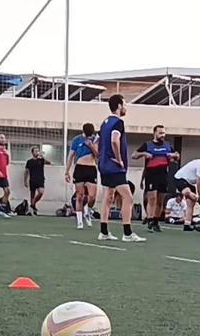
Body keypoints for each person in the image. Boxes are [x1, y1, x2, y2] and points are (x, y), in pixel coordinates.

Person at [94, 94, 145, 243]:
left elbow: (96, 142)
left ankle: (104, 232)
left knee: (108, 197)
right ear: (119, 106)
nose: (126, 107)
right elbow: (114, 141)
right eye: (124, 104)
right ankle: (127, 233)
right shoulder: (118, 123)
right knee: (128, 197)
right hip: (114, 167)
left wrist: (102, 157)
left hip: (103, 165)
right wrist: (119, 159)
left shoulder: (104, 123)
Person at [132, 125, 181, 233]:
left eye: (164, 133)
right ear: (154, 133)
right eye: (160, 133)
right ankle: (149, 219)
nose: (162, 135)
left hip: (163, 174)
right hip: (151, 174)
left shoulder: (168, 145)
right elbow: (134, 155)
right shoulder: (147, 145)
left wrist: (173, 155)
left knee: (160, 200)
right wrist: (144, 153)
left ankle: (155, 221)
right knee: (152, 198)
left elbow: (177, 156)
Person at [66, 123, 99, 229]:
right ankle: (79, 221)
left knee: (92, 196)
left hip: (91, 168)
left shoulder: (96, 140)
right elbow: (71, 156)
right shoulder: (77, 140)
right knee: (79, 195)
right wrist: (67, 171)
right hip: (80, 167)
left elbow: (98, 155)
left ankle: (88, 212)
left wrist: (91, 146)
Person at [172, 158, 200, 230]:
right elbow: (199, 184)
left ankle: (187, 224)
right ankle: (198, 200)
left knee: (191, 203)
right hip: (181, 178)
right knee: (188, 192)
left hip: (190, 183)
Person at [24, 147, 50, 215]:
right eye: (35, 151)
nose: (37, 152)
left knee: (41, 192)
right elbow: (26, 171)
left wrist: (42, 157)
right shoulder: (29, 161)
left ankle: (33, 204)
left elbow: (49, 163)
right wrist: (25, 181)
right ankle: (33, 209)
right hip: (32, 180)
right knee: (32, 195)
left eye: (38, 151)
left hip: (40, 179)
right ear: (32, 153)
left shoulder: (41, 160)